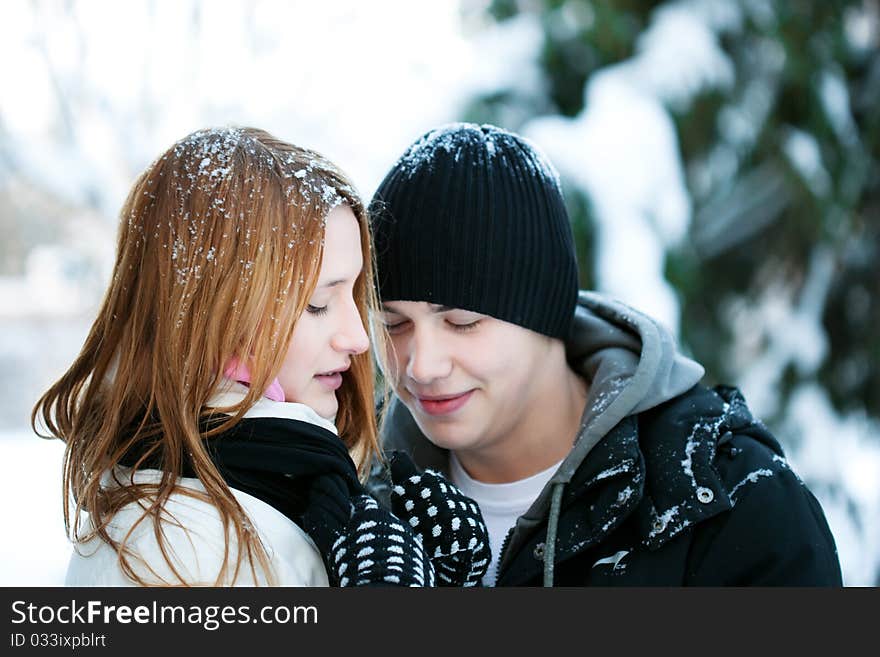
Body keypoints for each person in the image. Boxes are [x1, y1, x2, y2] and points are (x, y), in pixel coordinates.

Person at [367, 122, 843, 586]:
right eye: (393, 323)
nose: (421, 365)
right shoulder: (361, 503)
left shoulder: (728, 501)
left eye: (462, 322)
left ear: (545, 313)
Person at [33, 126, 489, 587]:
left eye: (354, 295)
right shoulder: (170, 551)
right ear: (214, 314)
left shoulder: (285, 485)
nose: (358, 338)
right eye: (317, 304)